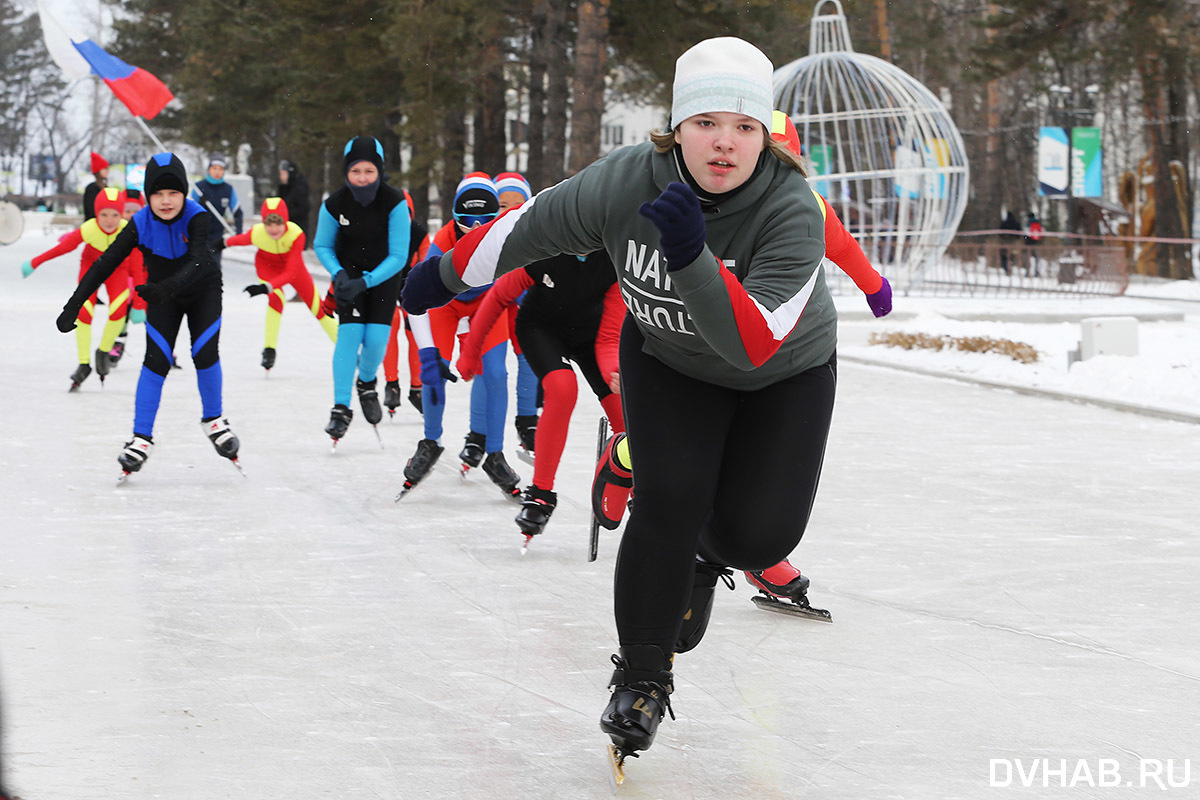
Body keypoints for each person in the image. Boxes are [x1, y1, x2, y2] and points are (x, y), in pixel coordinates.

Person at [403, 36, 844, 766]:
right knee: (669, 499)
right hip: (669, 361)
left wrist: (691, 256)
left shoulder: (790, 206)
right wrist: (446, 275)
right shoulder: (626, 182)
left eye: (743, 127)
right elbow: (530, 225)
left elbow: (753, 343)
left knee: (760, 537)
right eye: (706, 123)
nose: (725, 143)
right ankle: (641, 677)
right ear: (677, 129)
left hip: (781, 374)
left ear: (765, 135)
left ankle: (708, 555)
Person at [55, 152, 239, 477]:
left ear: (184, 193)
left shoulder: (197, 216)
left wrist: (168, 288)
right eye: (157, 193)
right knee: (156, 359)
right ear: (147, 195)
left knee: (204, 352)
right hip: (162, 294)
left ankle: (213, 418)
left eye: (173, 193)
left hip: (203, 289)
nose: (166, 201)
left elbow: (198, 260)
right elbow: (105, 263)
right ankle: (141, 439)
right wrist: (75, 304)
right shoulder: (139, 222)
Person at [456, 250, 625, 543]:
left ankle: (640, 488)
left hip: (593, 336)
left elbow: (610, 337)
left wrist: (612, 370)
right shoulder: (542, 250)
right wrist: (471, 352)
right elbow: (498, 297)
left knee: (624, 409)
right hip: (540, 328)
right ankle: (541, 494)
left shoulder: (613, 260)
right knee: (562, 388)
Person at [399, 173, 521, 499]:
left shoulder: (507, 235)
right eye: (468, 219)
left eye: (486, 218)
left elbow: (522, 281)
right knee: (433, 371)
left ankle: (494, 453)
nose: (477, 225)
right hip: (445, 304)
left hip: (486, 303)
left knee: (495, 372)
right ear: (454, 217)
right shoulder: (441, 242)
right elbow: (419, 299)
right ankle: (430, 441)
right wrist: (427, 352)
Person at [313, 136, 410, 444]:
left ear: (379, 171)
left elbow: (398, 255)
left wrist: (366, 281)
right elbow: (322, 245)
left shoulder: (394, 202)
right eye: (356, 172)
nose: (363, 178)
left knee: (377, 341)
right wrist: (338, 273)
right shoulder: (334, 203)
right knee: (350, 335)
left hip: (384, 275)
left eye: (369, 171)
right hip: (349, 275)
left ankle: (366, 382)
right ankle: (341, 408)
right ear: (346, 172)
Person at [22, 187, 141, 390]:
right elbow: (63, 247)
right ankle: (84, 364)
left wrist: (139, 302)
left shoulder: (128, 230)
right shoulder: (89, 229)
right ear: (96, 214)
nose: (109, 220)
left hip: (118, 271)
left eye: (115, 215)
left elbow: (138, 266)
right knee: (84, 313)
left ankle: (103, 352)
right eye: (103, 214)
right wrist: (36, 261)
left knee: (119, 310)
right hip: (91, 270)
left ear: (121, 215)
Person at [223, 197, 338, 370]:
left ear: (286, 221)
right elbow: (238, 240)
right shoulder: (257, 233)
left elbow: (291, 273)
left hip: (293, 269)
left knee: (319, 308)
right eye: (269, 224)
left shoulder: (296, 234)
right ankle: (269, 350)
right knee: (276, 300)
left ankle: (346, 348)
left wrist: (264, 287)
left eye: (278, 223)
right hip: (267, 267)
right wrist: (220, 243)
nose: (273, 229)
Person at [493, 172, 541, 456]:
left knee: (529, 355)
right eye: (502, 204)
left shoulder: (534, 234)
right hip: (494, 309)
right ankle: (482, 433)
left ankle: (527, 421)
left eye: (517, 203)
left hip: (520, 306)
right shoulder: (486, 233)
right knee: (495, 369)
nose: (509, 210)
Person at [191, 153, 243, 265]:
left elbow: (238, 212)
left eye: (220, 169)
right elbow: (188, 211)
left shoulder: (228, 189)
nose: (217, 172)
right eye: (214, 168)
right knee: (197, 267)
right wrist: (200, 204)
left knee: (214, 267)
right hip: (199, 234)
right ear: (209, 169)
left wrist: (239, 233)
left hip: (217, 236)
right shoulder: (199, 188)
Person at [277, 160, 311, 244]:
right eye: (281, 174)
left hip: (296, 232)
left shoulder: (299, 188)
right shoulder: (285, 188)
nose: (282, 177)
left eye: (284, 174)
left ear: (290, 173)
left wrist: (285, 214)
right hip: (285, 230)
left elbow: (304, 208)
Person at [82, 151, 109, 222]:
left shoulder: (106, 187)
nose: (107, 171)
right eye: (105, 168)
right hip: (93, 224)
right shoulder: (92, 188)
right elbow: (90, 210)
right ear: (98, 170)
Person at [999, 210, 1021, 275]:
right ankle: (1010, 266)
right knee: (1012, 255)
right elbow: (1019, 232)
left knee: (1004, 254)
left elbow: (1000, 232)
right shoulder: (1016, 223)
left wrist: (1003, 237)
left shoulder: (1004, 222)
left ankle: (1006, 267)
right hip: (1013, 241)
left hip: (1005, 241)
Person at [1025, 211, 1044, 277]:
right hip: (1036, 242)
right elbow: (1041, 232)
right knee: (1036, 258)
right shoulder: (1037, 223)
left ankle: (1027, 272)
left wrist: (1026, 239)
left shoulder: (1028, 223)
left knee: (1028, 258)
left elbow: (1026, 233)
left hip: (1029, 242)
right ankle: (1036, 272)